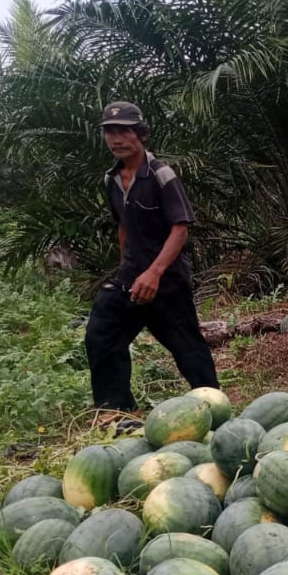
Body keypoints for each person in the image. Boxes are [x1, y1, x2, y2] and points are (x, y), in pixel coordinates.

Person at [85, 101, 220, 412]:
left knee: (186, 346)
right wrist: (127, 270)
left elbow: (180, 228)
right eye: (109, 132)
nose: (116, 139)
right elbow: (123, 226)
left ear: (141, 134)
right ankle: (115, 410)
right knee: (102, 333)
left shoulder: (161, 175)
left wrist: (154, 273)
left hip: (167, 280)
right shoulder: (112, 180)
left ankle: (214, 404)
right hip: (131, 278)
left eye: (124, 131)